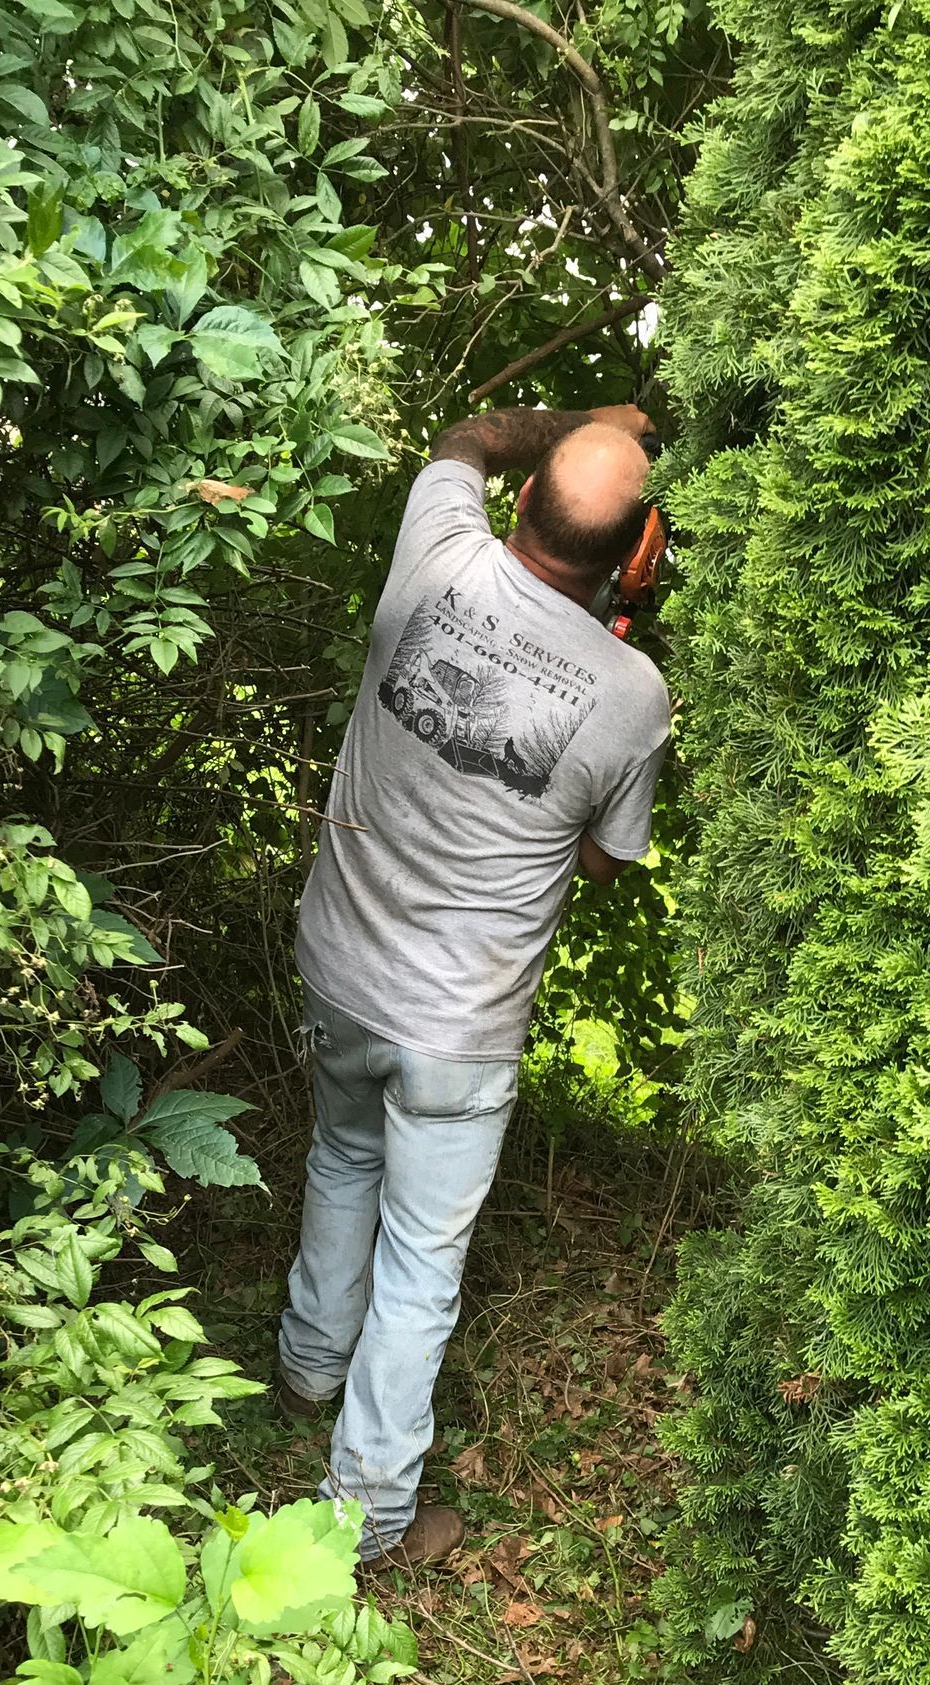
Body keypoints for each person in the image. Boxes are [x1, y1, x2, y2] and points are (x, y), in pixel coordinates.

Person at [277, 401, 671, 1568]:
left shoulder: (435, 548)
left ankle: (305, 1365)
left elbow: (461, 437)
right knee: (423, 1262)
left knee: (341, 1156)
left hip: (339, 960)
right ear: (635, 547)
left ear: (527, 493)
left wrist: (584, 422)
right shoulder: (635, 694)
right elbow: (603, 859)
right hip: (459, 1023)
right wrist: (623, 631)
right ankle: (367, 1518)